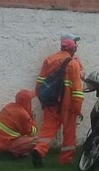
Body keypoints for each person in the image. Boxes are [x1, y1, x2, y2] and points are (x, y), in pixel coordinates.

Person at [34, 35, 84, 164]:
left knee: (47, 128)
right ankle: (66, 158)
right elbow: (77, 89)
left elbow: (39, 83)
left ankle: (39, 150)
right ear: (73, 49)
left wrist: (42, 100)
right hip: (67, 104)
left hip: (51, 100)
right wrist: (78, 108)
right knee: (69, 131)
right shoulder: (73, 64)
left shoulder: (49, 59)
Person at [0, 89, 42, 166]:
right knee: (37, 141)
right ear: (27, 102)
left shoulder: (10, 105)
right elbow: (31, 132)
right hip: (3, 144)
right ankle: (11, 154)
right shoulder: (23, 114)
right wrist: (33, 120)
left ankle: (8, 153)